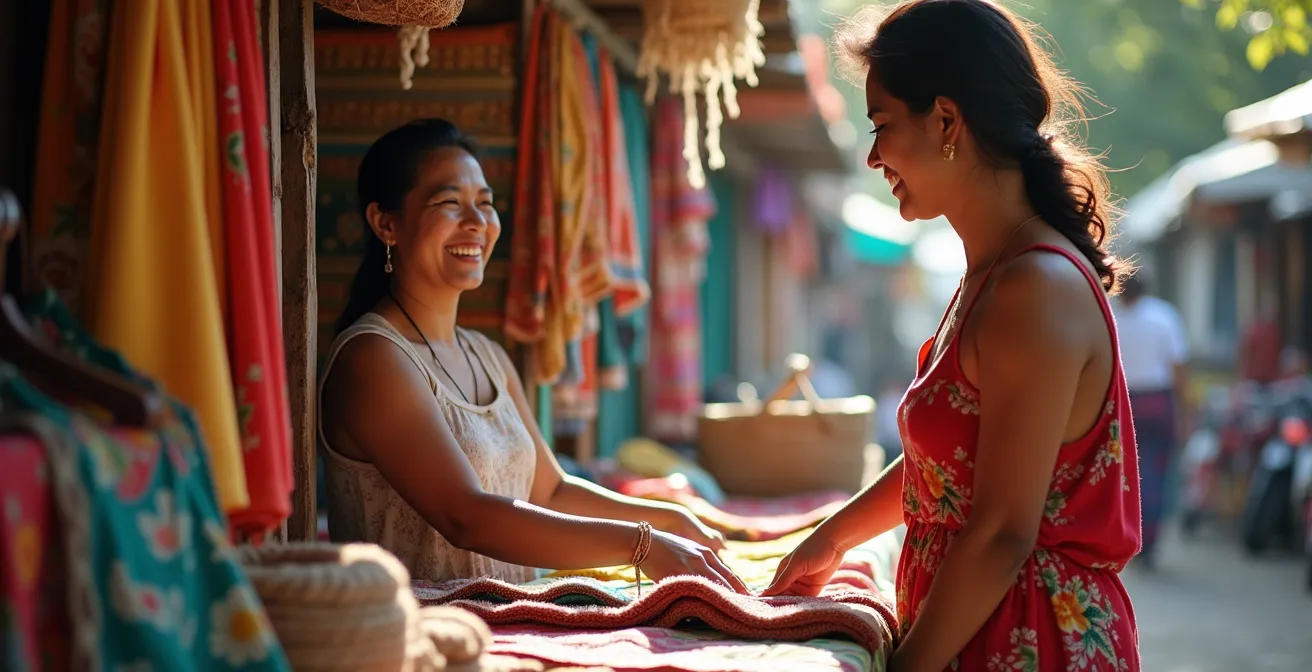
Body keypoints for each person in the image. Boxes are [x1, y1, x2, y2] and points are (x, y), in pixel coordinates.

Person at [764, 2, 1142, 670]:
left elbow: (1000, 534)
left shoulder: (1032, 290)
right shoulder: (991, 277)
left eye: (882, 125)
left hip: (1029, 641)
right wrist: (832, 539)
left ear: (946, 120)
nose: (874, 155)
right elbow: (950, 468)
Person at [319, 119, 746, 593]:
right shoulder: (372, 358)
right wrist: (643, 544)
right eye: (449, 203)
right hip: (414, 640)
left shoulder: (487, 356)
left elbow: (550, 492)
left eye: (485, 203)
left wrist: (671, 519)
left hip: (509, 625)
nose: (478, 223)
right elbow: (467, 516)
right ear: (386, 223)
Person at [1112, 271, 1188, 568]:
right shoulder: (1163, 316)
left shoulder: (1111, 315)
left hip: (1122, 401)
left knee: (1123, 471)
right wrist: (1185, 411)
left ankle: (1125, 535)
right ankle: (1149, 539)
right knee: (1154, 471)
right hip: (1157, 402)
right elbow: (1179, 367)